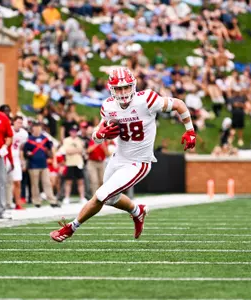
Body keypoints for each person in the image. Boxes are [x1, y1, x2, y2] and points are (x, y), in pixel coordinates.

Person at [50, 67, 196, 242]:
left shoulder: (147, 100)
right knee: (111, 199)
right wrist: (100, 134)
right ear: (112, 89)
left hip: (139, 162)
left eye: (126, 87)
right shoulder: (108, 106)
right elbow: (97, 137)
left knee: (102, 195)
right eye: (119, 88)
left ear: (133, 86)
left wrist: (190, 130)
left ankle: (70, 228)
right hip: (118, 157)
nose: (123, 91)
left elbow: (179, 104)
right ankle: (137, 211)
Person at [23, 122, 58, 208]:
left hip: (44, 164)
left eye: (39, 127)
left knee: (47, 183)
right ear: (33, 129)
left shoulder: (44, 138)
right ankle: (36, 201)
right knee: (35, 184)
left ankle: (52, 200)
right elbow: (24, 151)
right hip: (33, 164)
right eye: (36, 127)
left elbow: (51, 147)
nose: (38, 129)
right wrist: (28, 154)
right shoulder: (29, 139)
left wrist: (54, 158)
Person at [59, 125, 87, 205]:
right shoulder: (66, 140)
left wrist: (74, 150)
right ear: (70, 132)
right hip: (69, 163)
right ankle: (67, 197)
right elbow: (66, 151)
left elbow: (82, 151)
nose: (74, 133)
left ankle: (82, 197)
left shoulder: (80, 140)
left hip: (78, 163)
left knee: (81, 181)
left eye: (75, 131)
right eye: (72, 131)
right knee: (68, 182)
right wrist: (76, 150)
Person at [8, 116, 28, 210]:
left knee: (17, 181)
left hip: (16, 159)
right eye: (18, 122)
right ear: (13, 122)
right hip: (6, 157)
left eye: (21, 122)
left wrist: (22, 160)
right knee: (4, 182)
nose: (19, 124)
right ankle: (4, 202)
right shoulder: (8, 130)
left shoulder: (24, 134)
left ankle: (17, 203)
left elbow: (21, 148)